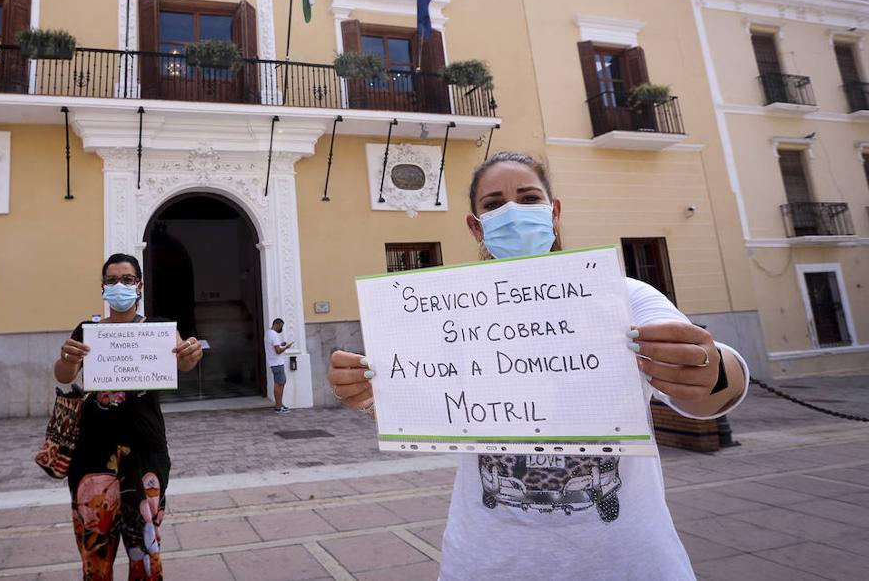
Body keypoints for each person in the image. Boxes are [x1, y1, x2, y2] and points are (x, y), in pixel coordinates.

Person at [327, 152, 749, 581]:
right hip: (487, 561)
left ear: (555, 212)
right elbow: (429, 408)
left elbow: (707, 396)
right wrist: (367, 396)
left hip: (626, 561)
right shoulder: (451, 317)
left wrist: (711, 369)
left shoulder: (623, 296)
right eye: (493, 205)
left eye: (529, 198)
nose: (513, 213)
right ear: (476, 226)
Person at [55, 252, 204, 581]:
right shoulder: (88, 329)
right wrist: (66, 357)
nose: (119, 285)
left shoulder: (157, 329)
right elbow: (65, 375)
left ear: (138, 287)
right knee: (95, 547)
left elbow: (183, 360)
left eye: (127, 279)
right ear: (103, 288)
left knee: (146, 543)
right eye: (111, 280)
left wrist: (191, 353)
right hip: (92, 453)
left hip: (145, 451)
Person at [265, 317, 294, 413]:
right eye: (281, 326)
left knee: (280, 383)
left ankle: (280, 404)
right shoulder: (273, 334)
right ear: (276, 324)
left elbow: (274, 346)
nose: (281, 328)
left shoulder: (268, 333)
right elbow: (277, 351)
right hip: (277, 363)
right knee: (279, 384)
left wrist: (281, 344)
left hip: (274, 362)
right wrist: (286, 347)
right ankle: (278, 406)